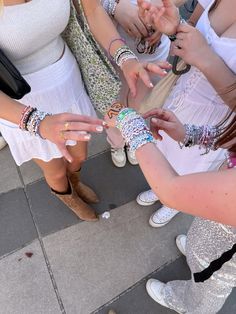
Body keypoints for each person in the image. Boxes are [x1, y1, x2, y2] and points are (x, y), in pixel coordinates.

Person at [0, 0, 168, 221]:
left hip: (67, 81)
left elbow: (94, 10)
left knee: (79, 156)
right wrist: (37, 122)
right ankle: (68, 197)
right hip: (21, 104)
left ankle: (76, 182)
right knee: (56, 170)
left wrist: (125, 58)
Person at [114, 102, 236, 314]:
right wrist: (189, 133)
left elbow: (170, 191)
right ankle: (196, 256)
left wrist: (129, 123)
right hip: (219, 223)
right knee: (201, 245)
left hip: (229, 248)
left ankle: (187, 304)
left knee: (213, 282)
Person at [135, 0, 236, 228]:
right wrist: (174, 28)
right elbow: (192, 29)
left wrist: (205, 58)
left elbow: (202, 51)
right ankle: (161, 187)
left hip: (216, 123)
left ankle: (176, 202)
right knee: (164, 147)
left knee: (189, 167)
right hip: (181, 96)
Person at [101, 0, 186, 167]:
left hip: (152, 50)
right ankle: (116, 141)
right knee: (112, 101)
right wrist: (113, 6)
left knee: (142, 102)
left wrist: (160, 12)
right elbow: (87, 6)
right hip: (112, 46)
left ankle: (133, 136)